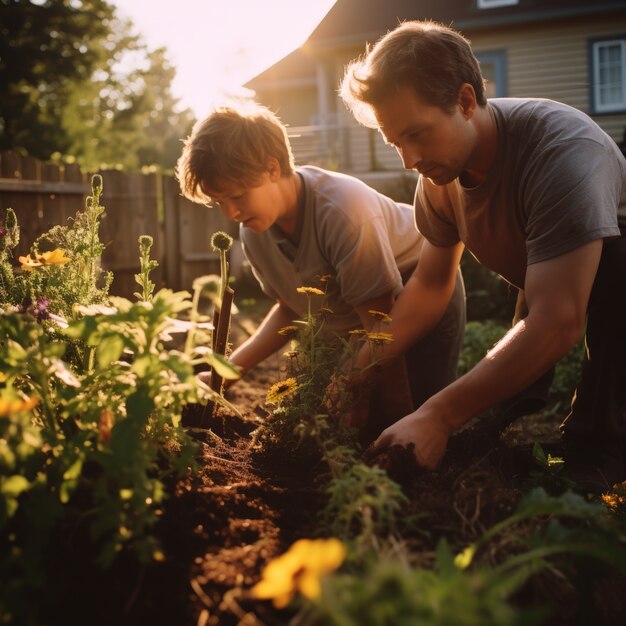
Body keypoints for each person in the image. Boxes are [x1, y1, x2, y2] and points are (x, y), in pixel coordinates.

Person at [339, 19, 626, 491]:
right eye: (395, 142)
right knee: (490, 411)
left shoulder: (563, 154)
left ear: (466, 101)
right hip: (556, 276)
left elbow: (558, 320)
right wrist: (359, 368)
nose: (408, 159)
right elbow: (431, 286)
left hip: (613, 271)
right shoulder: (439, 177)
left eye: (417, 134)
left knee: (593, 445)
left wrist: (439, 414)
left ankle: (599, 451)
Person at [176, 104, 466, 443]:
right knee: (324, 421)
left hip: (417, 296)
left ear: (272, 169)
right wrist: (223, 374)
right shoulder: (254, 230)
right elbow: (289, 308)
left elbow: (382, 327)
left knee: (416, 422)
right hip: (356, 319)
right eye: (220, 201)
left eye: (238, 196)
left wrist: (383, 408)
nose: (231, 212)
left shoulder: (342, 209)